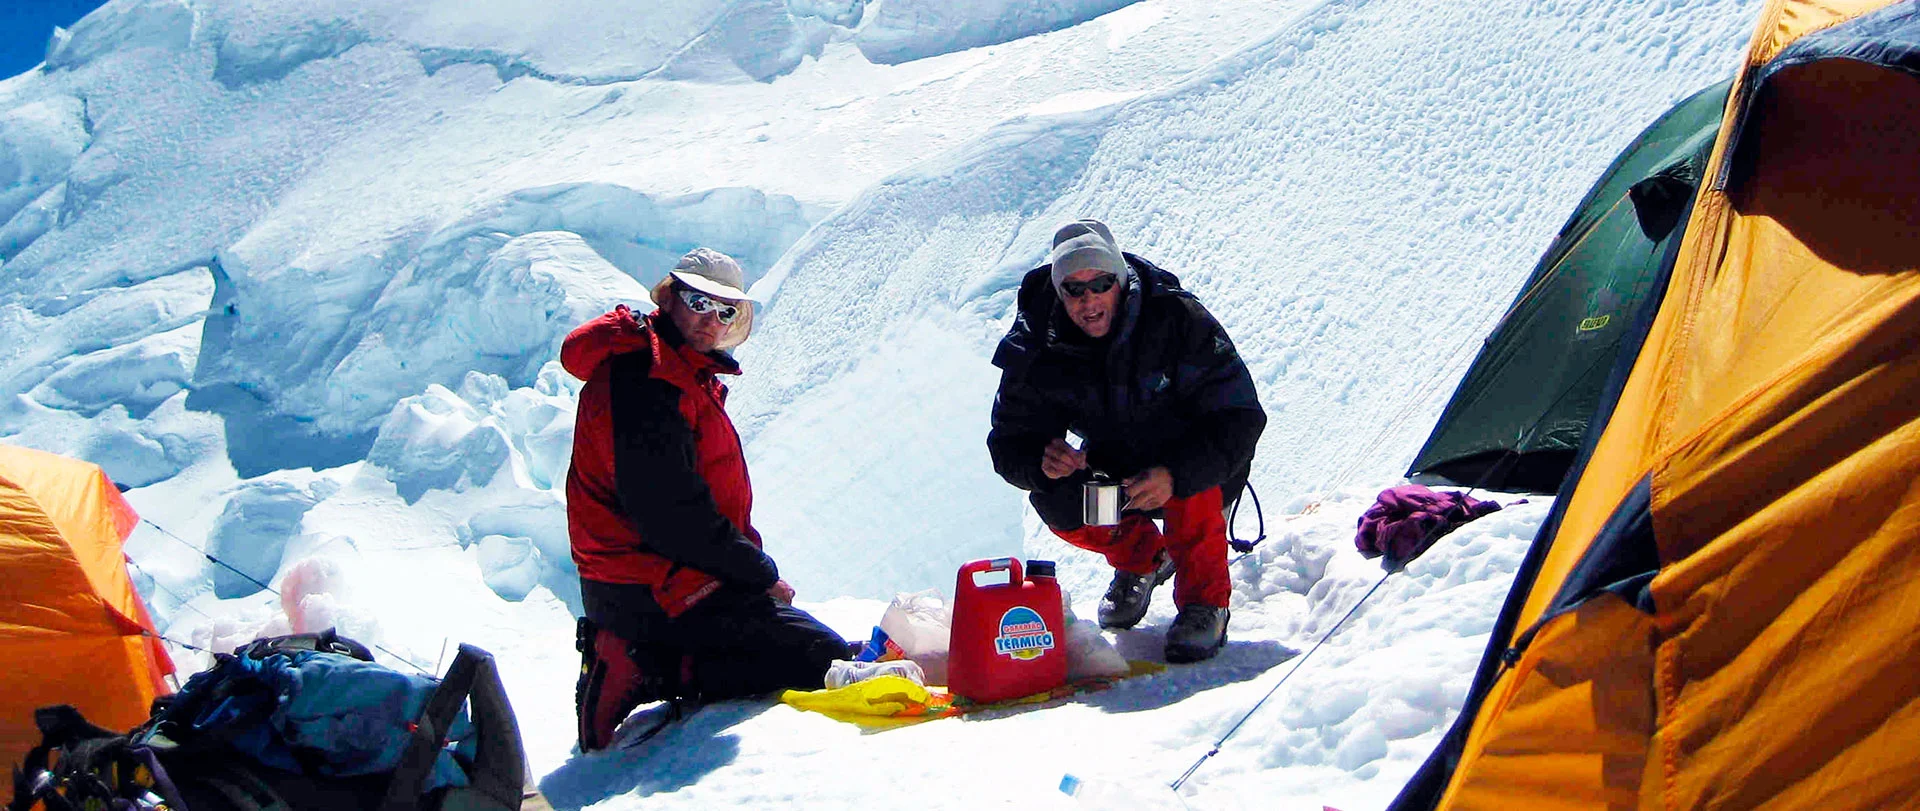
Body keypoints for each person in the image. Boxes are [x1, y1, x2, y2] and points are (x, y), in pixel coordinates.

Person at [561, 247, 848, 751]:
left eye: (727, 310)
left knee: (817, 650)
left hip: (669, 573)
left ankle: (655, 658)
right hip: (649, 583)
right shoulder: (647, 380)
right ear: (669, 297)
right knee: (819, 658)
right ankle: (642, 662)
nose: (712, 320)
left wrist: (745, 574)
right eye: (699, 301)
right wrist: (756, 573)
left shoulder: (674, 370)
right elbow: (670, 515)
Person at [987, 220, 1265, 663]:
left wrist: (1175, 475)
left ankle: (1203, 602)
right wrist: (1041, 458)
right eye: (1074, 289)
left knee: (1192, 493)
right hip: (1115, 470)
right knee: (1058, 497)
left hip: (1192, 463)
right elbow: (1009, 438)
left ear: (1119, 281)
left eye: (1101, 283)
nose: (1089, 300)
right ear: (1059, 294)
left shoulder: (1176, 319)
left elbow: (1239, 415)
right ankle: (1144, 559)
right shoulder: (1039, 341)